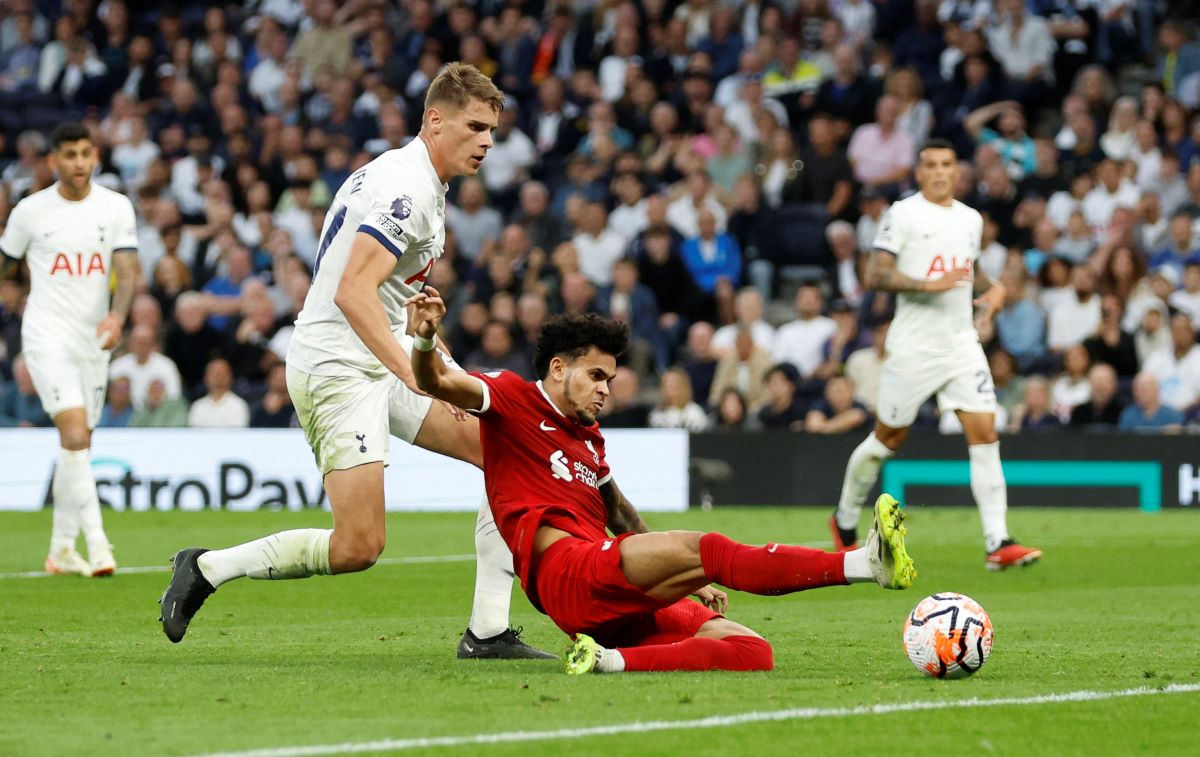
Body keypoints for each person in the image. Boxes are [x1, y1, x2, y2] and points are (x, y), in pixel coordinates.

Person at [158, 63, 553, 661]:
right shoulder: (408, 189)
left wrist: (436, 355)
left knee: (502, 448)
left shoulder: (416, 178)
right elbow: (351, 291)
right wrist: (415, 373)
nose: (487, 142)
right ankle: (208, 567)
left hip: (377, 351)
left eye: (492, 130)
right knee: (358, 547)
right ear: (435, 120)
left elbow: (385, 296)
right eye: (475, 127)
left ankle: (488, 631)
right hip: (338, 369)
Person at [409, 304, 916, 673]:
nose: (607, 388)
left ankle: (610, 661)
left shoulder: (588, 440)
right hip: (571, 571)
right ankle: (862, 563)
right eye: (596, 375)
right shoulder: (512, 398)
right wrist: (427, 339)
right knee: (708, 546)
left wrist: (687, 577)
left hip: (601, 592)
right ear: (558, 369)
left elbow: (623, 516)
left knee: (751, 650)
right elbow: (435, 382)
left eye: (611, 376)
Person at [830, 138, 1042, 571]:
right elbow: (876, 273)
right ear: (919, 172)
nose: (941, 172)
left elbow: (970, 270)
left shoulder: (970, 219)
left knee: (985, 434)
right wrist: (931, 284)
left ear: (956, 171)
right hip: (914, 347)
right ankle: (844, 518)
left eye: (947, 164)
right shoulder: (903, 214)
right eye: (931, 165)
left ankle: (997, 542)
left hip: (962, 344)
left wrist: (994, 289)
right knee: (886, 442)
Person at [0, 122, 140, 577]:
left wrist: (118, 315)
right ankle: (99, 547)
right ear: (53, 161)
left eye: (85, 153)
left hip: (94, 340)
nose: (78, 162)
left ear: (95, 155)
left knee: (78, 443)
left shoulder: (115, 207)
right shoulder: (30, 211)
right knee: (76, 434)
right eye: (69, 155)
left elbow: (127, 267)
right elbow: (6, 264)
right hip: (46, 336)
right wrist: (12, 295)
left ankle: (61, 548)